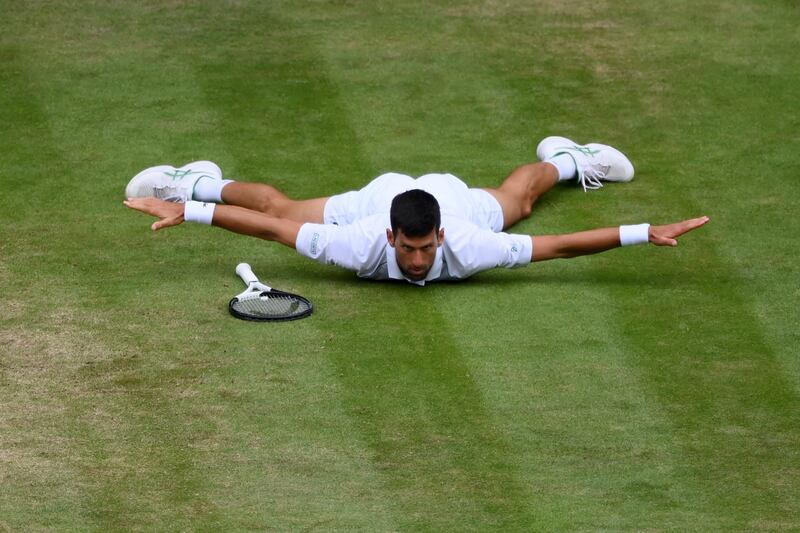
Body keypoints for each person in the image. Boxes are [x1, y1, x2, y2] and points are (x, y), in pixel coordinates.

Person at [123, 136, 709, 285]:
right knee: (283, 203)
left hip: (452, 198)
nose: (421, 259)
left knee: (523, 201)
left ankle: (569, 157)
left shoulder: (470, 244)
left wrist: (642, 232)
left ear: (441, 237)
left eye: (427, 249)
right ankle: (195, 182)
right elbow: (273, 226)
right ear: (391, 238)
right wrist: (192, 212)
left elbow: (558, 246)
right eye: (410, 249)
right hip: (381, 194)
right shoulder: (358, 240)